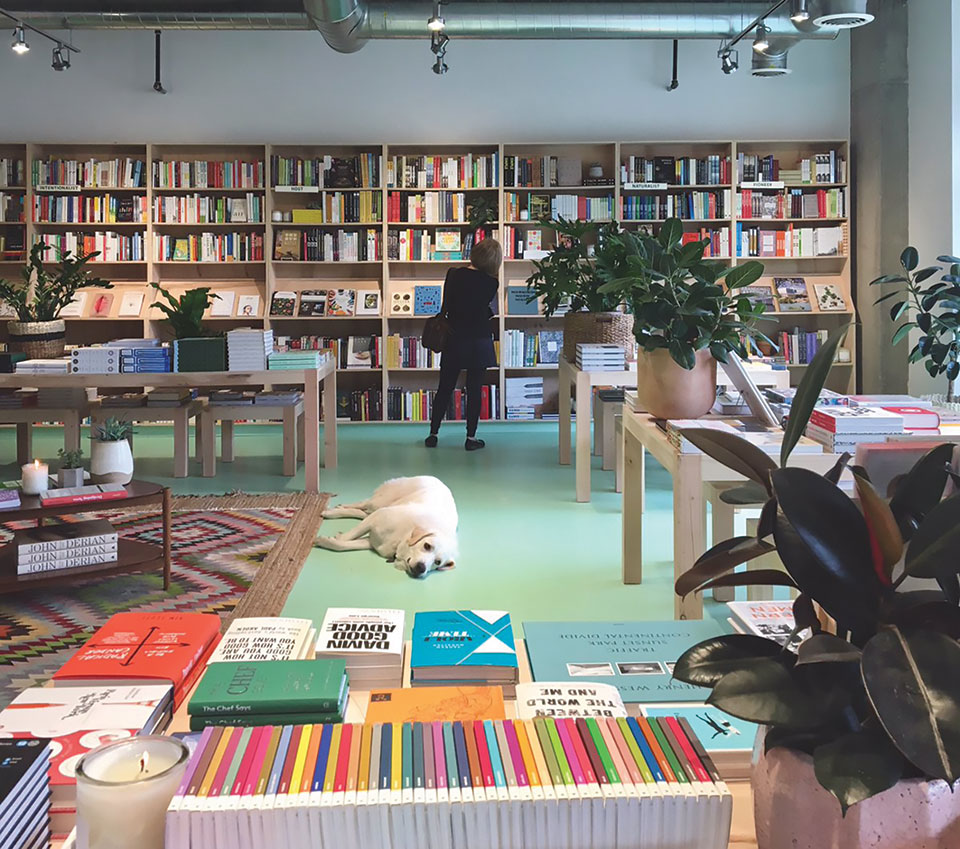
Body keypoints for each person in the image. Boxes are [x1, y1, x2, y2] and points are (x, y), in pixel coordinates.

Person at [425, 238, 502, 451]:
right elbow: (484, 311)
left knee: (445, 387)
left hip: (454, 337)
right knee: (474, 388)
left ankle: (433, 434)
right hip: (479, 339)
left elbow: (448, 304)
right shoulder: (491, 283)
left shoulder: (453, 274)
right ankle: (471, 438)